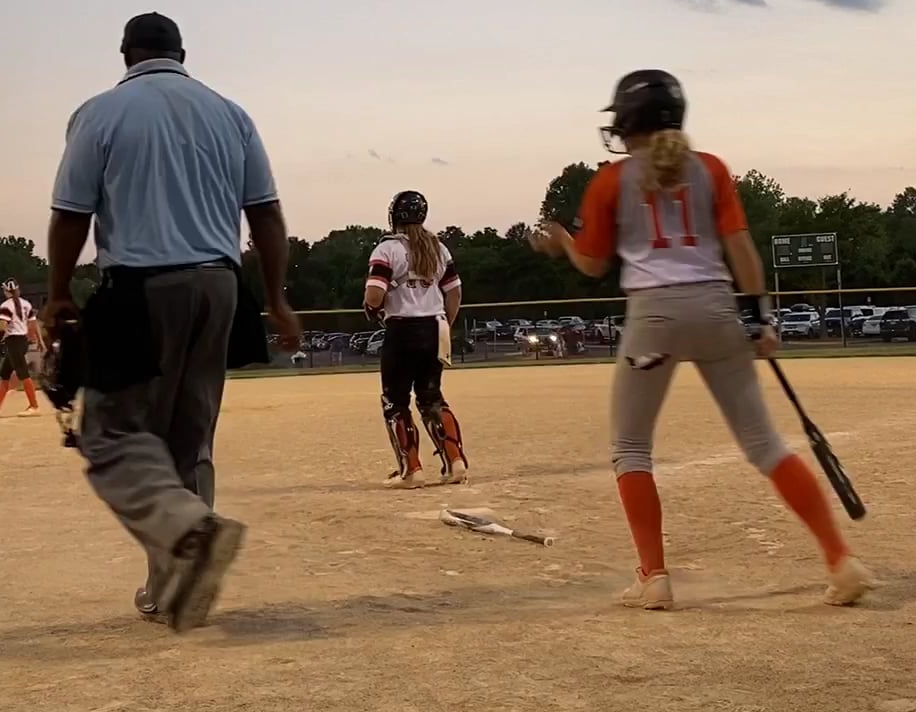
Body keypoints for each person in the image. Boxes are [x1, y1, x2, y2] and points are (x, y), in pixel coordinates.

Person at [530, 69, 872, 611]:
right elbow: (741, 251)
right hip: (717, 308)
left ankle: (654, 576)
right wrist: (760, 319)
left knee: (631, 448)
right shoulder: (710, 168)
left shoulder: (612, 180)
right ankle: (839, 559)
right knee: (766, 445)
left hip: (654, 315)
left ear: (628, 121)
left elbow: (593, 264)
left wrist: (562, 243)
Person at [42, 12, 300, 635]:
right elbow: (265, 214)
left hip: (141, 286)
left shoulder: (100, 113)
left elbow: (72, 213)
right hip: (220, 286)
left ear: (125, 53)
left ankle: (189, 534)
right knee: (190, 438)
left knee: (111, 434)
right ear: (182, 53)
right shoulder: (230, 114)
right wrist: (275, 297)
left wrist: (57, 293)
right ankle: (174, 586)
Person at [364, 190, 468, 489]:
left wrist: (371, 307)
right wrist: (446, 323)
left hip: (402, 329)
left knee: (395, 401)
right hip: (435, 327)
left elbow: (374, 295)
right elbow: (454, 293)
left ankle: (412, 470)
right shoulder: (439, 249)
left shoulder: (387, 249)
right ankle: (456, 462)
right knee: (432, 396)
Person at [0, 279, 42, 418]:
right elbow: (32, 324)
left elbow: (3, 325)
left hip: (14, 341)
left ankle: (34, 406)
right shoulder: (26, 303)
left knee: (23, 374)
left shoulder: (6, 305)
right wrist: (38, 340)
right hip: (22, 341)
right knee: (5, 374)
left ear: (6, 291)